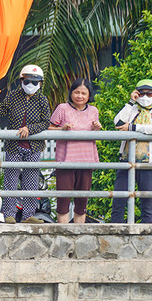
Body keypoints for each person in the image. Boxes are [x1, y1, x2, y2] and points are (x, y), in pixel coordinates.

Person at [0, 64, 51, 223]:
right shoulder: (13, 96)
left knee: (31, 181)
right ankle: (9, 214)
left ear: (40, 83)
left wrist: (30, 129)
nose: (31, 85)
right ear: (21, 80)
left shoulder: (42, 99)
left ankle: (28, 216)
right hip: (14, 145)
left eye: (35, 82)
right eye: (28, 81)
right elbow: (0, 112)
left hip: (34, 146)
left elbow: (45, 122)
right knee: (11, 179)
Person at [107, 79, 152, 224]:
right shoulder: (132, 108)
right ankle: (116, 231)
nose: (145, 97)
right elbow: (118, 122)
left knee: (147, 202)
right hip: (126, 161)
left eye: (149, 93)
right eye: (141, 93)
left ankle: (146, 232)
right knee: (119, 201)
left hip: (148, 162)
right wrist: (130, 102)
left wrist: (132, 127)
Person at [50, 78, 102, 224]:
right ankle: (63, 232)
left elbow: (94, 131)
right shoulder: (62, 108)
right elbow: (49, 128)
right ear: (71, 93)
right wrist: (62, 128)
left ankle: (79, 233)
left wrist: (95, 128)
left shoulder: (93, 111)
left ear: (89, 95)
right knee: (64, 198)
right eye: (76, 92)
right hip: (66, 160)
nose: (80, 96)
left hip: (86, 159)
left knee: (82, 200)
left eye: (83, 93)